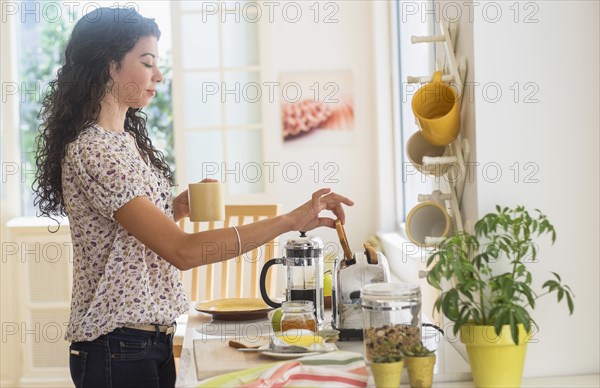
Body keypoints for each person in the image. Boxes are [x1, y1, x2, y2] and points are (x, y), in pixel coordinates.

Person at [33, 7, 354, 388]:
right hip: (117, 344)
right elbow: (182, 252)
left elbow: (128, 240)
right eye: (147, 62)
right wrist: (289, 220)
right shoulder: (95, 150)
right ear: (110, 66)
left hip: (145, 339)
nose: (158, 75)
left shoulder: (124, 143)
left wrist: (173, 209)